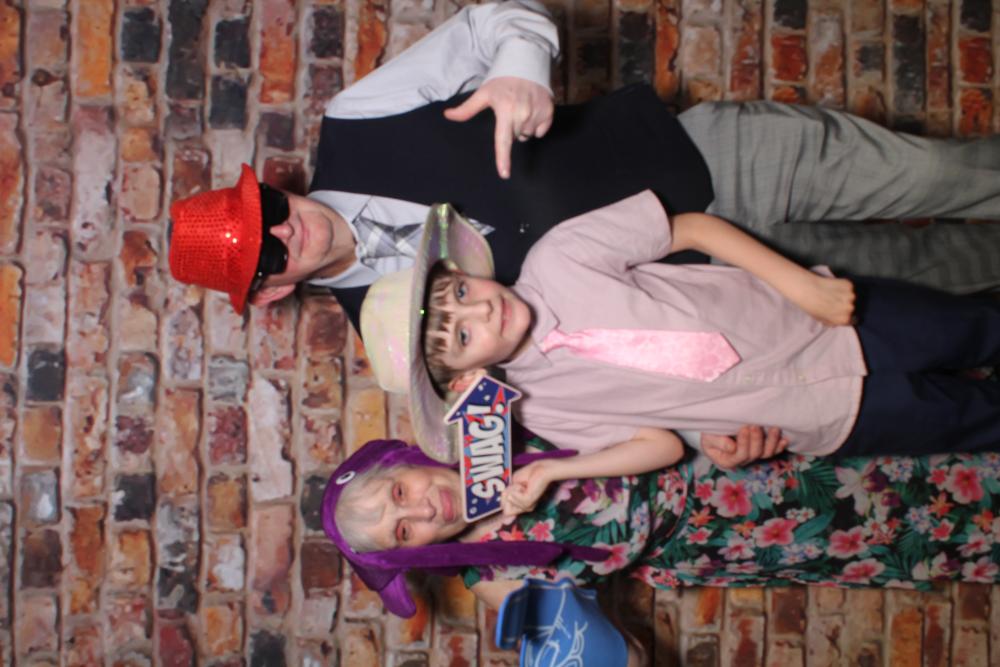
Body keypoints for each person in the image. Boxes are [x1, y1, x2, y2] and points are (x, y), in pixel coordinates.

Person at [166, 1, 1000, 330]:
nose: (285, 231)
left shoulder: (357, 118)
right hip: (726, 282)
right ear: (269, 291)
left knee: (943, 174)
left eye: (265, 212)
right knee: (946, 273)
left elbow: (498, 19)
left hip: (716, 160)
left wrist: (520, 68)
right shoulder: (393, 332)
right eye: (266, 253)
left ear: (271, 187)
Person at [359, 191, 1000, 474]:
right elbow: (660, 443)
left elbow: (689, 227)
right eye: (462, 337)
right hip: (826, 415)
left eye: (461, 296)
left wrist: (801, 285)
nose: (481, 313)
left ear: (463, 274)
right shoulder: (543, 410)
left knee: (979, 328)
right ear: (465, 377)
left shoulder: (559, 256)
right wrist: (715, 445)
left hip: (826, 318)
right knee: (974, 419)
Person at [323, 436, 1000, 632]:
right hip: (726, 548)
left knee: (922, 473)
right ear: (413, 554)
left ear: (403, 462)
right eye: (403, 529)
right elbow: (596, 653)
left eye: (400, 492)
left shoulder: (500, 427)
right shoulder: (491, 578)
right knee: (917, 542)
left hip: (738, 469)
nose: (424, 508)